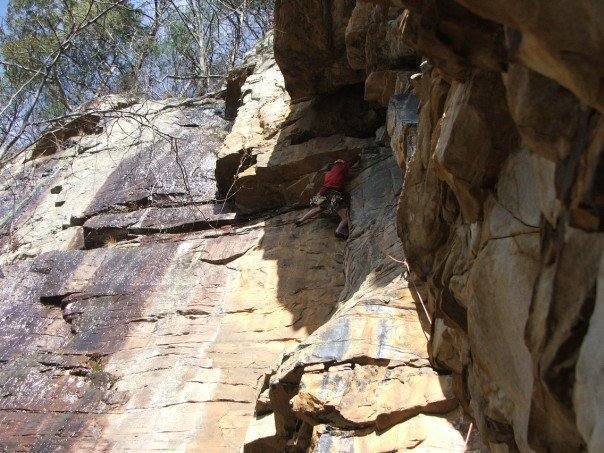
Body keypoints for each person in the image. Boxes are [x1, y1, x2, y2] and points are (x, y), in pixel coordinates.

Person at [295, 158, 352, 238]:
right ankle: (338, 231)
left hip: (322, 193)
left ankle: (301, 220)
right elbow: (349, 163)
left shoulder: (328, 173)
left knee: (319, 208)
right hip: (333, 194)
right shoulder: (340, 167)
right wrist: (358, 157)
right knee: (345, 217)